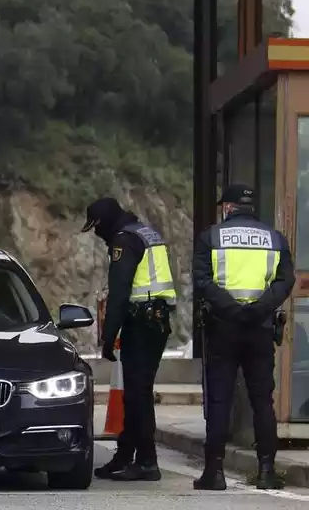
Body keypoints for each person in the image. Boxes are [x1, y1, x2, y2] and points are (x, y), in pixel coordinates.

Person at [191, 183, 293, 491]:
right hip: (260, 327)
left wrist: (232, 309)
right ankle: (266, 470)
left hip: (223, 326)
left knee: (220, 397)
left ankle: (215, 472)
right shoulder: (275, 239)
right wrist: (258, 308)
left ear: (227, 207)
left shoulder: (211, 237)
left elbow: (202, 280)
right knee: (262, 399)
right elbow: (284, 280)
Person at [82, 197, 176, 481]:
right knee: (137, 393)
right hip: (155, 320)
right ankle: (125, 456)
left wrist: (108, 338)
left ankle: (147, 462)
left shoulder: (124, 241)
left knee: (138, 396)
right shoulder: (145, 233)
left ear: (104, 222)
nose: (97, 234)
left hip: (142, 323)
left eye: (96, 227)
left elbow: (120, 294)